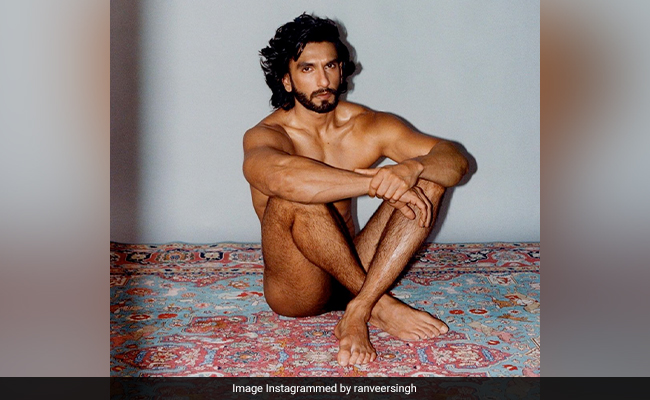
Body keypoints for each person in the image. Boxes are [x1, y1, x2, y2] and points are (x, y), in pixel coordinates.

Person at [243, 13, 469, 367]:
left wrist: (411, 169)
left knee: (429, 180)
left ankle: (362, 307)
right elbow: (282, 178)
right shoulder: (268, 135)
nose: (323, 80)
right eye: (307, 69)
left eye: (330, 65)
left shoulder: (366, 124)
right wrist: (378, 184)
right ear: (286, 79)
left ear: (341, 68)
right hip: (300, 289)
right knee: (295, 196)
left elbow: (454, 160)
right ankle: (382, 307)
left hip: (357, 271)